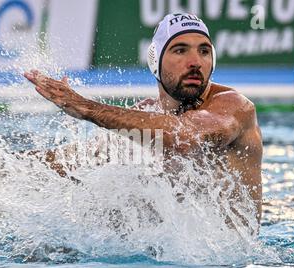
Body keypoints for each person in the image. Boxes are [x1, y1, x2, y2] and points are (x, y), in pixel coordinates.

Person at [24, 13, 263, 226]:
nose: (195, 62)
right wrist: (0, 166)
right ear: (155, 61)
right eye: (180, 50)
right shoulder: (146, 113)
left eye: (204, 51)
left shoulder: (234, 107)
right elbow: (79, 158)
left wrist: (87, 108)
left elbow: (186, 136)